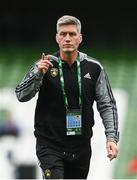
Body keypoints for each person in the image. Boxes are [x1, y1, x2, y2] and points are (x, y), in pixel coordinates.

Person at [15, 15, 119, 179]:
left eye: (72, 34)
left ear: (80, 38)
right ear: (57, 38)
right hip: (49, 145)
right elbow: (21, 95)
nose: (67, 38)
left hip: (81, 147)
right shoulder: (44, 65)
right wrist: (37, 74)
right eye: (63, 34)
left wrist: (111, 138)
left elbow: (107, 104)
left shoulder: (94, 68)